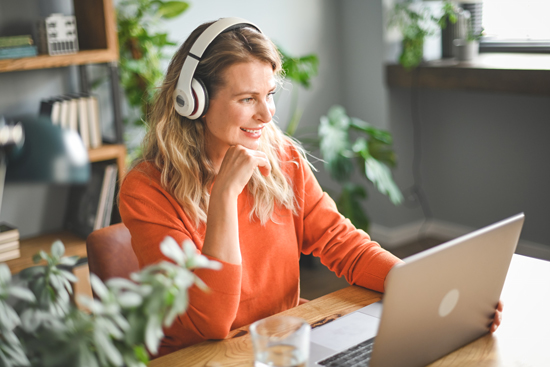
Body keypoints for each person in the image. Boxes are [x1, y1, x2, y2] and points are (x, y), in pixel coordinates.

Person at [118, 17, 502, 358]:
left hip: (282, 344)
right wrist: (223, 196)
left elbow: (342, 243)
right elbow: (213, 324)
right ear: (193, 102)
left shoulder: (282, 157)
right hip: (203, 356)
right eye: (247, 99)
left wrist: (423, 289)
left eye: (269, 95)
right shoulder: (147, 190)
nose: (267, 114)